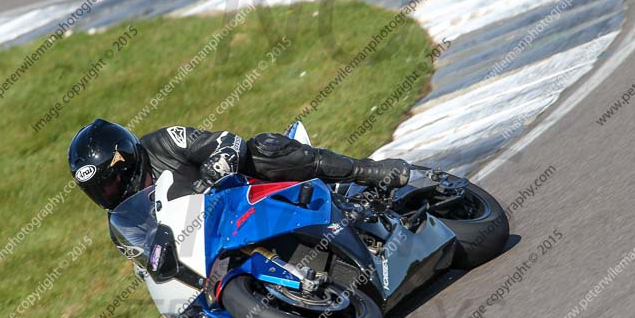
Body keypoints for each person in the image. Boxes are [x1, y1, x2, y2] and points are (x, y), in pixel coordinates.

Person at [67, 118, 412, 211]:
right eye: (97, 191)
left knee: (262, 148)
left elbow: (227, 140)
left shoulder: (164, 142)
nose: (107, 194)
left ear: (125, 163)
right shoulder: (125, 221)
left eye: (109, 184)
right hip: (214, 240)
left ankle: (367, 170)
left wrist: (212, 173)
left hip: (246, 194)